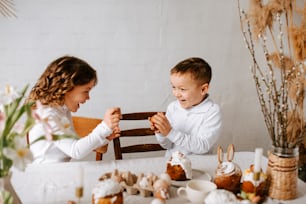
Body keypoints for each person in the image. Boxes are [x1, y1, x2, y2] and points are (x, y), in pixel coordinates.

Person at [27, 55, 121, 164]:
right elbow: (75, 151)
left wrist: (104, 138)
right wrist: (104, 127)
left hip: (59, 172)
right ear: (67, 88)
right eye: (86, 91)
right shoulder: (48, 116)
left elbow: (75, 144)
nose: (88, 97)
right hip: (45, 175)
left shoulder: (62, 111)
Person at [149, 57, 222, 157]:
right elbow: (167, 145)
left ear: (203, 89)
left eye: (182, 89)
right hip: (173, 165)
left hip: (200, 166)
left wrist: (170, 132)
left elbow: (203, 146)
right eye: (173, 87)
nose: (176, 94)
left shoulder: (212, 111)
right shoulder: (173, 107)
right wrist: (161, 132)